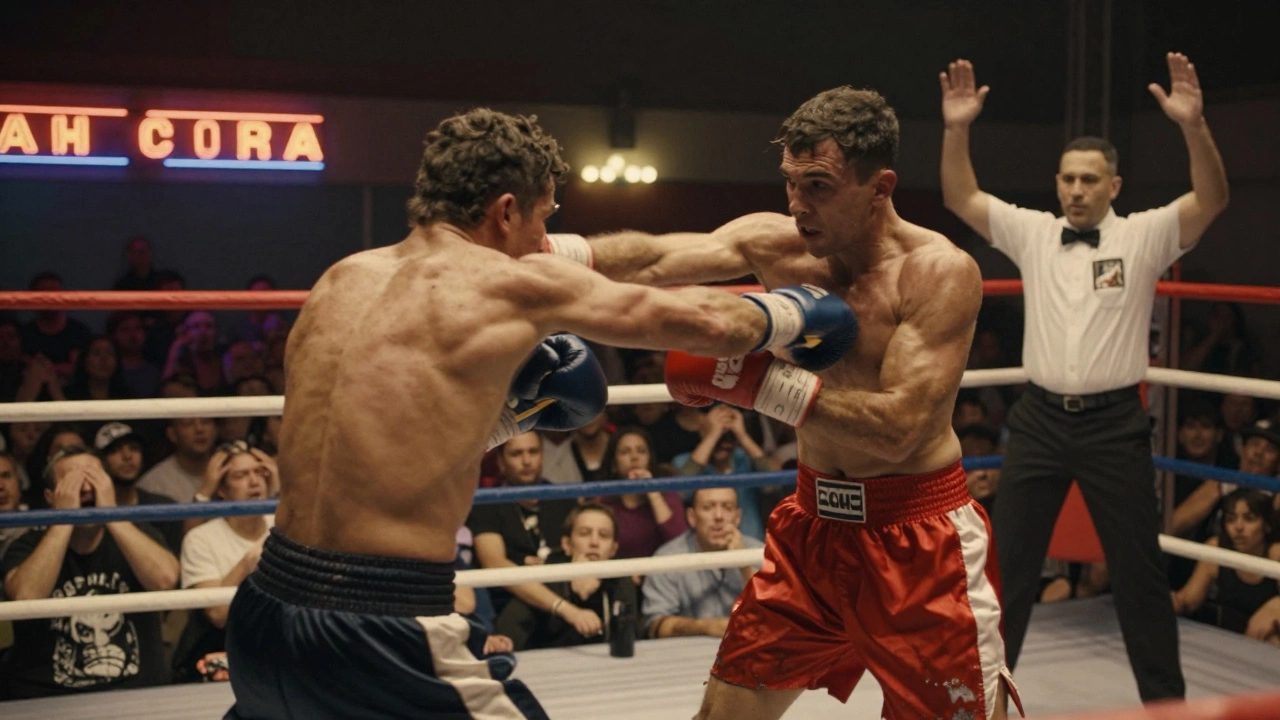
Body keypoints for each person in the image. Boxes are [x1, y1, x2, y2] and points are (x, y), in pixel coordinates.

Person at [222, 107, 857, 720]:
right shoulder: (507, 284)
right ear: (505, 212)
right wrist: (800, 312)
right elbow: (707, 323)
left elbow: (378, 445)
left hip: (264, 611)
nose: (544, 240)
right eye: (543, 218)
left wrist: (508, 420)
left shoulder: (341, 278)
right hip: (383, 623)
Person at [544, 87, 1001, 719]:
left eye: (818, 185)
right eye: (790, 182)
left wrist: (760, 385)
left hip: (916, 540)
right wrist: (544, 253)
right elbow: (653, 257)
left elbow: (901, 427)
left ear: (880, 186)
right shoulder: (777, 244)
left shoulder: (937, 273)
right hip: (813, 528)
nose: (798, 205)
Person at [939, 52, 1229, 703]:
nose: (1075, 190)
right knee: (1005, 572)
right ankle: (983, 703)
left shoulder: (1146, 235)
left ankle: (1167, 708)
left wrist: (1193, 125)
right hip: (1039, 420)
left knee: (1139, 576)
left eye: (1089, 180)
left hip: (1114, 424)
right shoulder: (1036, 233)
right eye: (1068, 179)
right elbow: (961, 196)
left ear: (1114, 186)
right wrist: (957, 129)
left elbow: (1213, 198)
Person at [0, 446, 178, 698]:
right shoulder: (27, 545)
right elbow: (26, 598)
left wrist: (111, 513)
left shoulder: (136, 533)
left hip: (137, 692)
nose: (85, 489)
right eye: (73, 483)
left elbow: (165, 580)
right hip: (49, 698)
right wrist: (64, 518)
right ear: (51, 497)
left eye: (94, 480)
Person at [642, 487, 763, 639]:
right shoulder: (668, 557)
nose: (718, 516)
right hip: (687, 653)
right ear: (692, 517)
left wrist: (745, 564)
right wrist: (705, 627)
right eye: (708, 507)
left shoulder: (759, 552)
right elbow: (656, 626)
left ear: (737, 517)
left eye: (727, 508)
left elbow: (780, 614)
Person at [1171, 489, 1280, 644]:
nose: (1239, 527)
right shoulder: (1217, 550)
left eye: (1249, 519)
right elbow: (1188, 600)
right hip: (1226, 644)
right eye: (1231, 519)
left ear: (1266, 525)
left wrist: (1276, 607)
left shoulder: (1276, 555)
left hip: (1266, 649)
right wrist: (1173, 602)